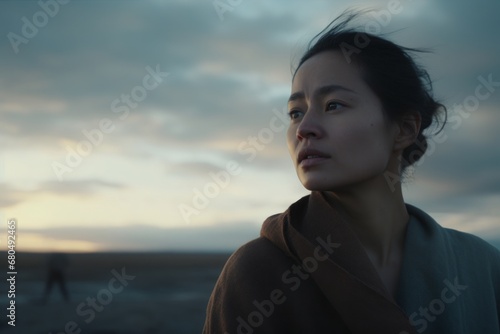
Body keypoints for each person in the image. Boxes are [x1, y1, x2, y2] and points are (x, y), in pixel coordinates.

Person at [203, 10, 500, 334]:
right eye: (295, 112)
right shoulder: (256, 271)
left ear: (404, 129)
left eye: (333, 105)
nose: (304, 129)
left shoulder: (482, 266)